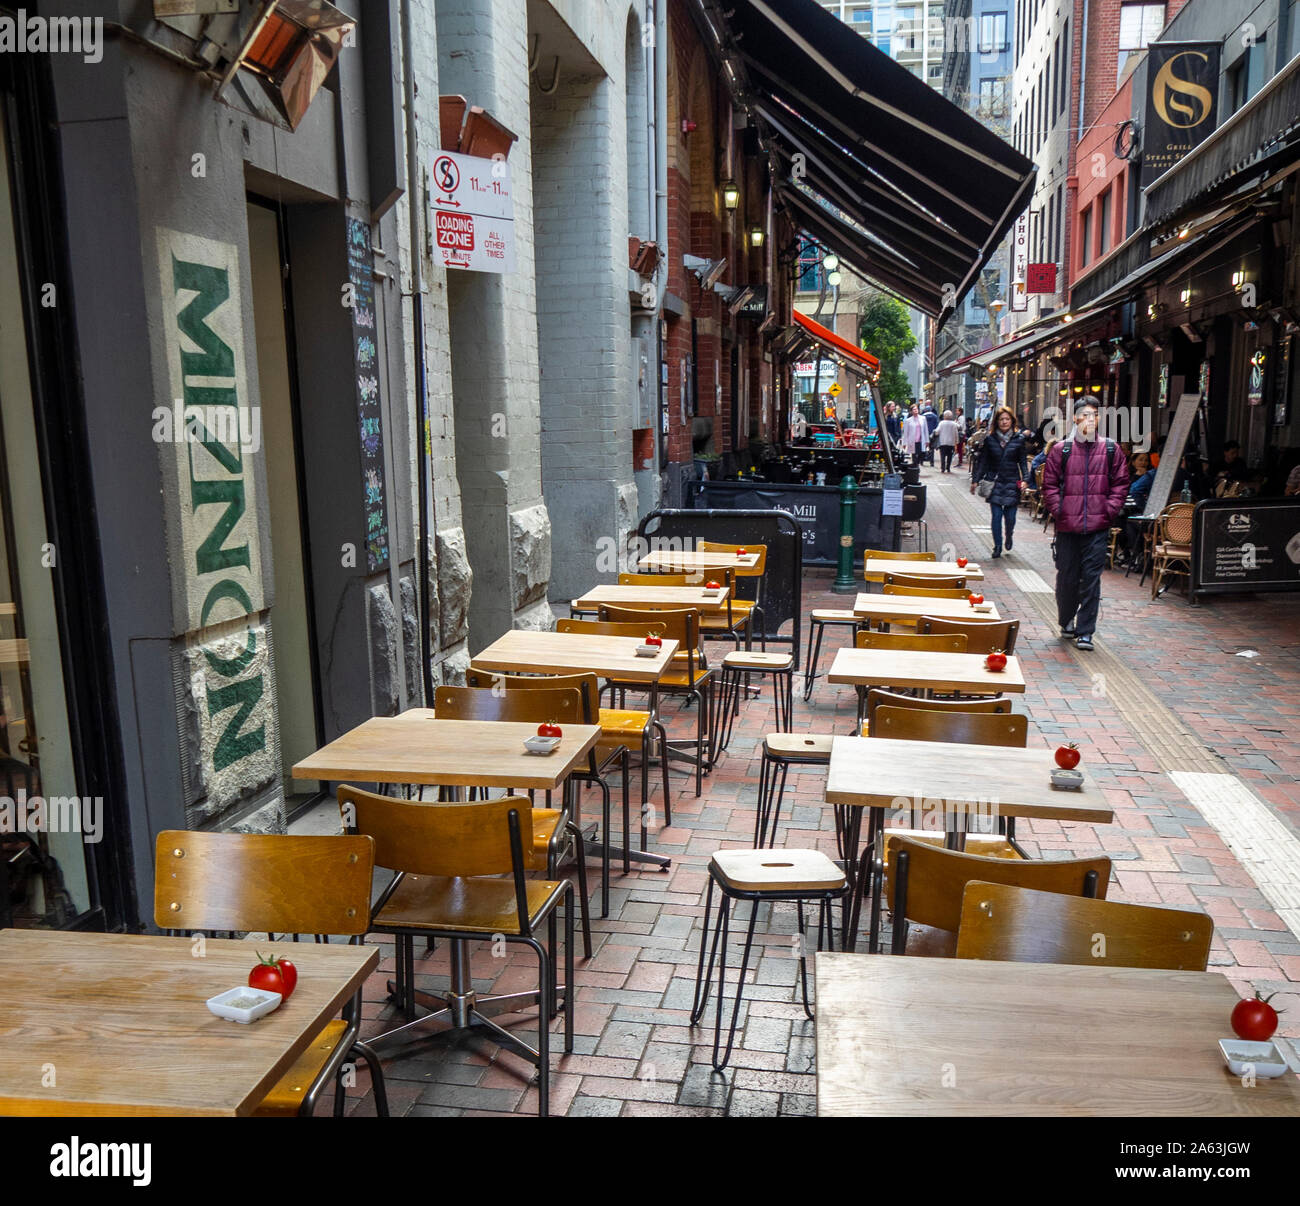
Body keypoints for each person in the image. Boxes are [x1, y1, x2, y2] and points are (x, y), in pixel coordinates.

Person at [1042, 400, 1130, 652]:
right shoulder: (1062, 450)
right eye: (1085, 415)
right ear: (1076, 420)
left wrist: (1108, 510)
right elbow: (1048, 486)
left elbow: (1121, 484)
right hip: (1067, 527)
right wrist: (1060, 511)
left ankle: (1086, 631)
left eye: (1095, 415)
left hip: (1097, 527)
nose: (1091, 420)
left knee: (1091, 579)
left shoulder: (1111, 449)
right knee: (1067, 577)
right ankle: (1066, 619)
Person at [971, 406, 1029, 558]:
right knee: (996, 516)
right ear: (996, 421)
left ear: (1012, 421)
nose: (1004, 422)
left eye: (1007, 419)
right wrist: (976, 480)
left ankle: (1009, 535)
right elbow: (983, 462)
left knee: (1010, 518)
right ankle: (997, 545)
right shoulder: (990, 440)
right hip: (995, 481)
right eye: (1001, 419)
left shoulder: (1019, 439)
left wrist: (1026, 480)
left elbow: (1023, 462)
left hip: (1012, 481)